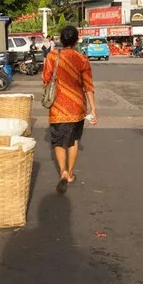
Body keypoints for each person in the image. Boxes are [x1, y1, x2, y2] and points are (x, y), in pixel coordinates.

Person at [42, 25, 97, 194]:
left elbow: (45, 79)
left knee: (58, 141)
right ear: (76, 40)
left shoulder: (52, 56)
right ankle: (71, 173)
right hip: (77, 106)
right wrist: (93, 110)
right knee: (73, 140)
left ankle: (63, 171)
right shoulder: (82, 59)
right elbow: (88, 86)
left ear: (61, 39)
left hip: (58, 106)